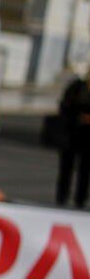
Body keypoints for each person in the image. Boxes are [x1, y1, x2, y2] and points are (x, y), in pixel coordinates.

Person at [57, 70, 90, 208]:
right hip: (72, 135)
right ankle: (61, 198)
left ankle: (80, 201)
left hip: (88, 139)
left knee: (85, 171)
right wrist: (78, 117)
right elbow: (64, 107)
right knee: (66, 168)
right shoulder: (76, 87)